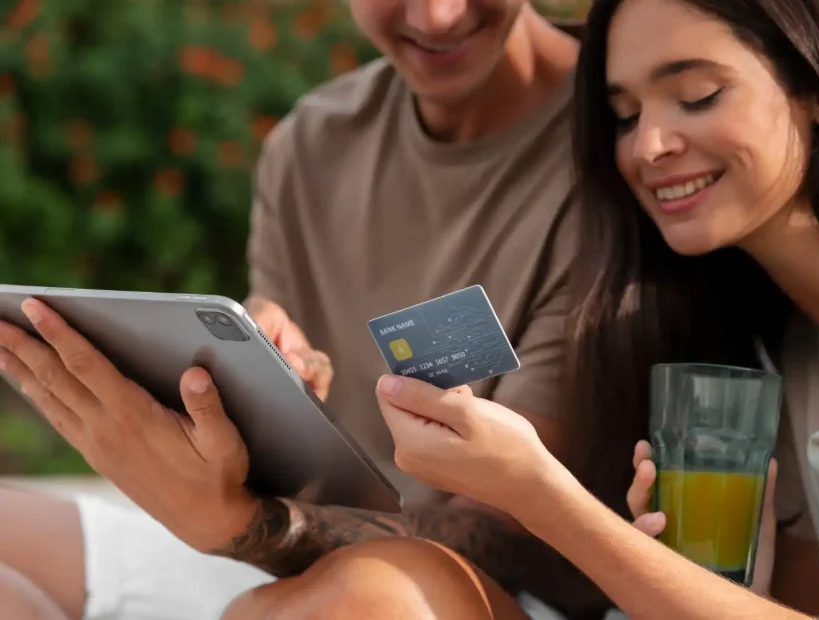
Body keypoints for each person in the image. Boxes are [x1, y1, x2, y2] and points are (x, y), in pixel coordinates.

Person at [0, 1, 609, 619]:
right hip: (289, 553)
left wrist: (246, 523)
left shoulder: (625, 145)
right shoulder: (314, 142)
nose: (437, 16)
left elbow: (514, 539)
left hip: (469, 594)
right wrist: (250, 374)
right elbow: (284, 377)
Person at [367, 0, 819, 618]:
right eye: (626, 116)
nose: (650, 146)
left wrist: (538, 493)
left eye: (697, 96)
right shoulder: (794, 351)